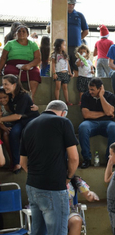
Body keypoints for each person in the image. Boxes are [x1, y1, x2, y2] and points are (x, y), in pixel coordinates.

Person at [20, 100, 79, 235]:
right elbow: (74, 158)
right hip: (54, 187)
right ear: (64, 113)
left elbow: (23, 162)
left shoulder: (28, 126)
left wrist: (38, 175)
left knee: (38, 231)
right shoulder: (63, 122)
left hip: (32, 186)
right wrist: (68, 178)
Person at [0, 74, 39, 173]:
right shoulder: (8, 94)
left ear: (14, 84)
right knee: (14, 133)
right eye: (3, 84)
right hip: (19, 121)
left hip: (30, 119)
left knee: (28, 134)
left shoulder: (23, 96)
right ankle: (17, 163)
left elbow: (17, 115)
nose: (4, 86)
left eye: (6, 84)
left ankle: (34, 161)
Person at [78, 78, 115, 169]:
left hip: (107, 123)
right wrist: (105, 113)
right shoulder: (85, 96)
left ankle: (110, 158)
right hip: (90, 123)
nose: (90, 91)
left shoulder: (110, 96)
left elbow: (110, 111)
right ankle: (87, 158)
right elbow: (86, 114)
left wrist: (101, 97)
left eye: (92, 89)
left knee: (114, 127)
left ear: (100, 88)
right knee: (83, 127)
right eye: (89, 89)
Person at [0, 25, 41, 100]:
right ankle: (13, 96)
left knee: (35, 73)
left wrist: (29, 65)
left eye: (23, 31)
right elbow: (3, 58)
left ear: (28, 34)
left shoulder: (33, 44)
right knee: (10, 73)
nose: (21, 33)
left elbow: (38, 59)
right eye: (19, 31)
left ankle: (31, 98)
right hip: (12, 64)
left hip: (29, 64)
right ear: (16, 34)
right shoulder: (10, 44)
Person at [67, 0, 89, 77]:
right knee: (65, 68)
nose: (71, 5)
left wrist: (78, 39)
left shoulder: (79, 15)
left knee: (77, 67)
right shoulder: (60, 14)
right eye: (69, 4)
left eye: (73, 4)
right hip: (64, 47)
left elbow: (86, 31)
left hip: (76, 47)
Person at [51, 38, 73, 105]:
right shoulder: (54, 55)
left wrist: (70, 72)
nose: (65, 46)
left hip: (65, 73)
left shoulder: (65, 55)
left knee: (65, 87)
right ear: (59, 46)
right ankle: (57, 101)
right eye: (64, 45)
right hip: (58, 73)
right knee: (58, 87)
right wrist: (54, 73)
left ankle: (67, 101)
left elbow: (67, 64)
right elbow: (53, 64)